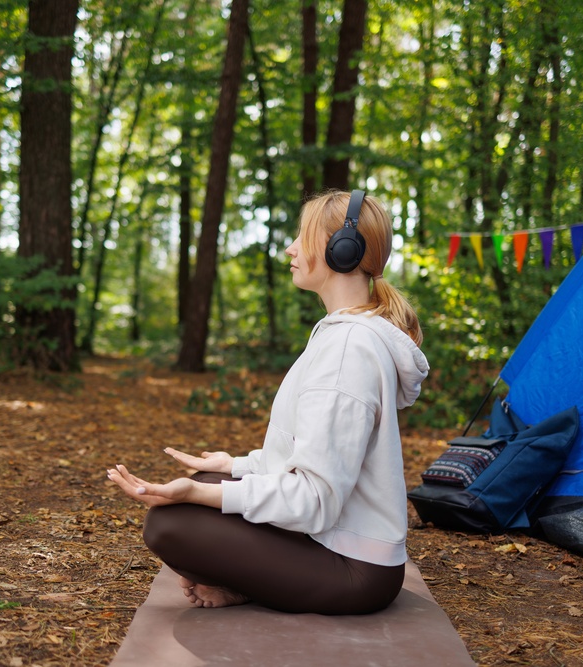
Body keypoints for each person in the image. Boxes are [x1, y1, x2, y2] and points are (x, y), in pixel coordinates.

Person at [108, 189, 429, 615]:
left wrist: (203, 497)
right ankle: (248, 583)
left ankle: (250, 583)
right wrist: (234, 467)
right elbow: (310, 457)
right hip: (329, 541)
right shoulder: (339, 333)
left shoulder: (348, 349)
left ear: (341, 250)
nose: (290, 248)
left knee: (170, 523)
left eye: (302, 237)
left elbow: (315, 499)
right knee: (204, 483)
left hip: (356, 569)